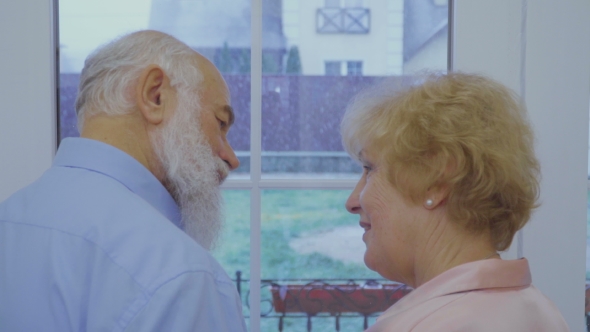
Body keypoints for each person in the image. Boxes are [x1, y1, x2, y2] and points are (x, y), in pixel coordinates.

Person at [0, 30, 247, 331]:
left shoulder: (9, 219)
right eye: (220, 123)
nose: (231, 158)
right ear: (155, 95)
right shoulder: (180, 276)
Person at [341, 72, 569, 331]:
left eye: (370, 168)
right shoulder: (540, 310)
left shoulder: (441, 324)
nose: (352, 202)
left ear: (437, 182)